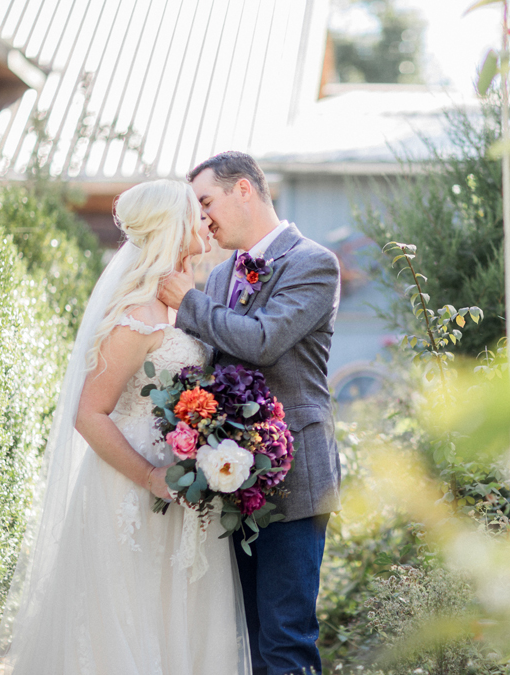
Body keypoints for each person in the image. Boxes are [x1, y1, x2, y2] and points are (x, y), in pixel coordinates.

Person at [0, 180, 251, 674]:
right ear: (173, 228)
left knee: (176, 622)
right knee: (129, 623)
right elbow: (89, 414)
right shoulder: (138, 314)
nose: (205, 221)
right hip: (131, 490)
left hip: (183, 489)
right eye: (195, 213)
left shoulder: (181, 304)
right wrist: (151, 477)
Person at [158, 151, 341, 675]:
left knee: (285, 640)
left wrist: (187, 301)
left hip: (295, 475)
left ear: (243, 189)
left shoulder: (312, 262)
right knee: (246, 639)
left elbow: (263, 342)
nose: (202, 217)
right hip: (227, 480)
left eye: (206, 201)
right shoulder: (217, 281)